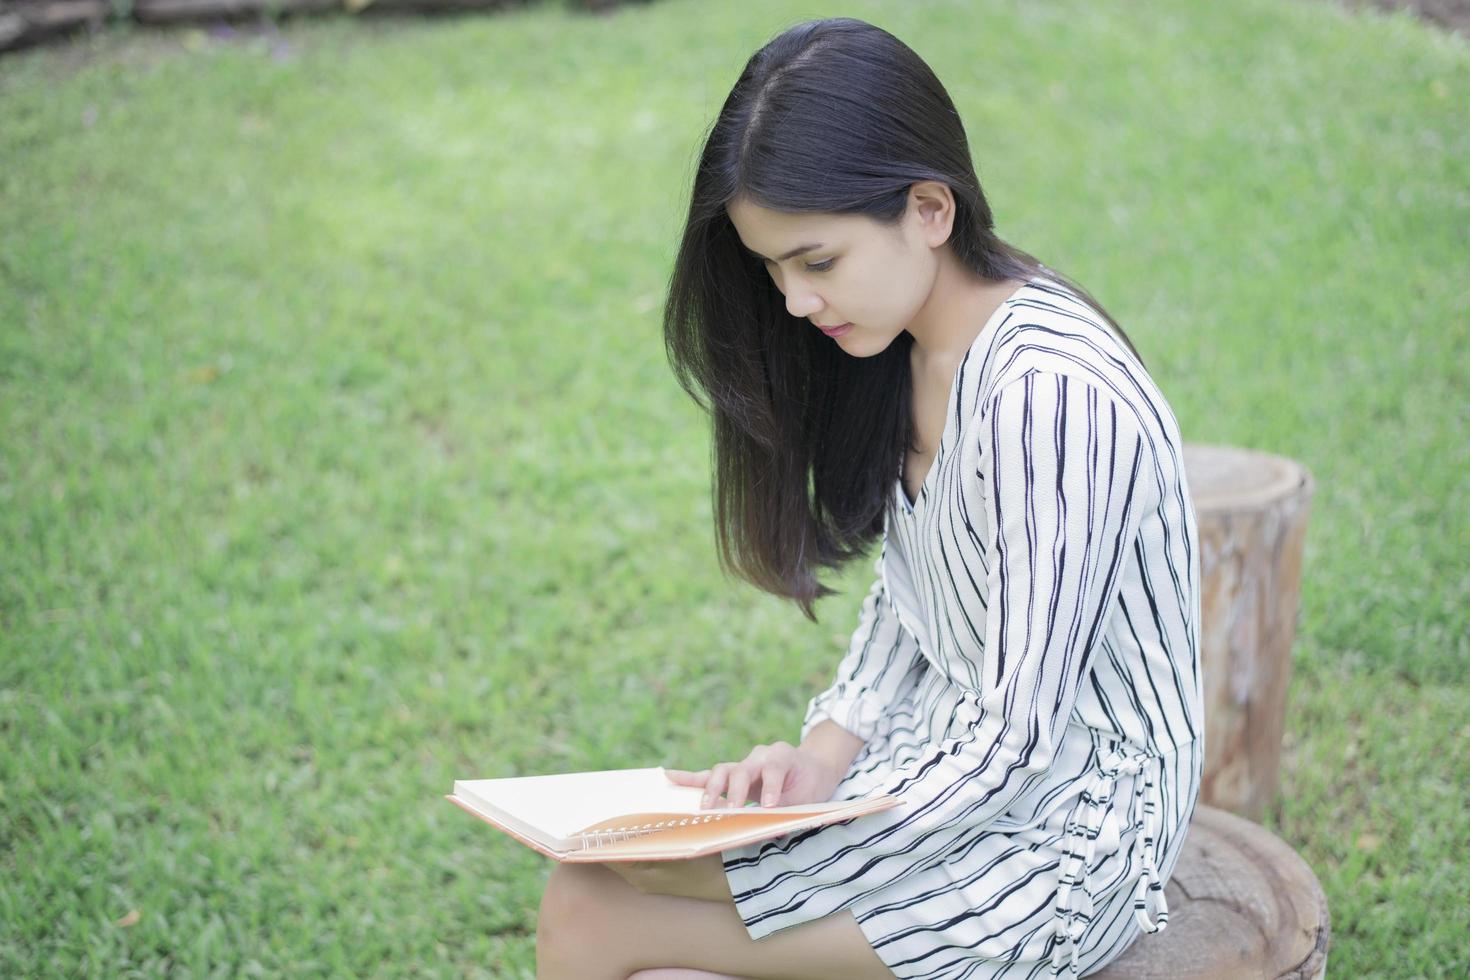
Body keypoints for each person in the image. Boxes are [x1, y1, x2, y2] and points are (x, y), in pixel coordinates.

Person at [535, 16, 1203, 980]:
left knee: (595, 909)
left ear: (930, 209)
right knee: (596, 898)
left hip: (1069, 839)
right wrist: (824, 760)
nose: (797, 304)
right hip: (942, 784)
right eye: (774, 272)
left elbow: (1014, 743)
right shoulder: (904, 346)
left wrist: (765, 872)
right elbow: (914, 596)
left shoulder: (1051, 400)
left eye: (817, 262)